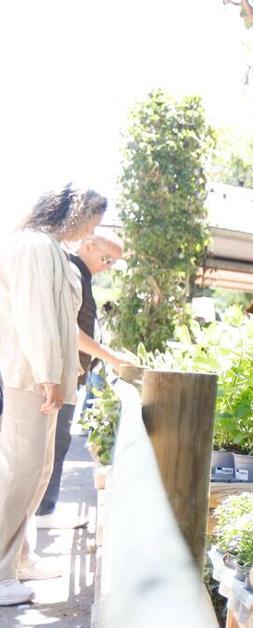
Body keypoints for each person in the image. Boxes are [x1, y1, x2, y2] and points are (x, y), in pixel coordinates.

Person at [0, 185, 108, 606]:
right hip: (30, 378)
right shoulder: (33, 246)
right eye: (91, 222)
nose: (91, 232)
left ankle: (18, 559)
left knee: (37, 471)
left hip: (43, 377)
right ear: (75, 214)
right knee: (21, 472)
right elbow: (36, 314)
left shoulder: (46, 247)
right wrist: (48, 374)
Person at [35, 233, 135, 522]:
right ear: (89, 246)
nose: (108, 266)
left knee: (56, 444)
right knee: (51, 446)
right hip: (58, 377)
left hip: (68, 376)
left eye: (113, 262)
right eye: (107, 259)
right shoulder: (74, 272)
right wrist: (113, 358)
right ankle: (43, 513)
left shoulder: (81, 275)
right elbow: (72, 332)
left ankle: (43, 512)